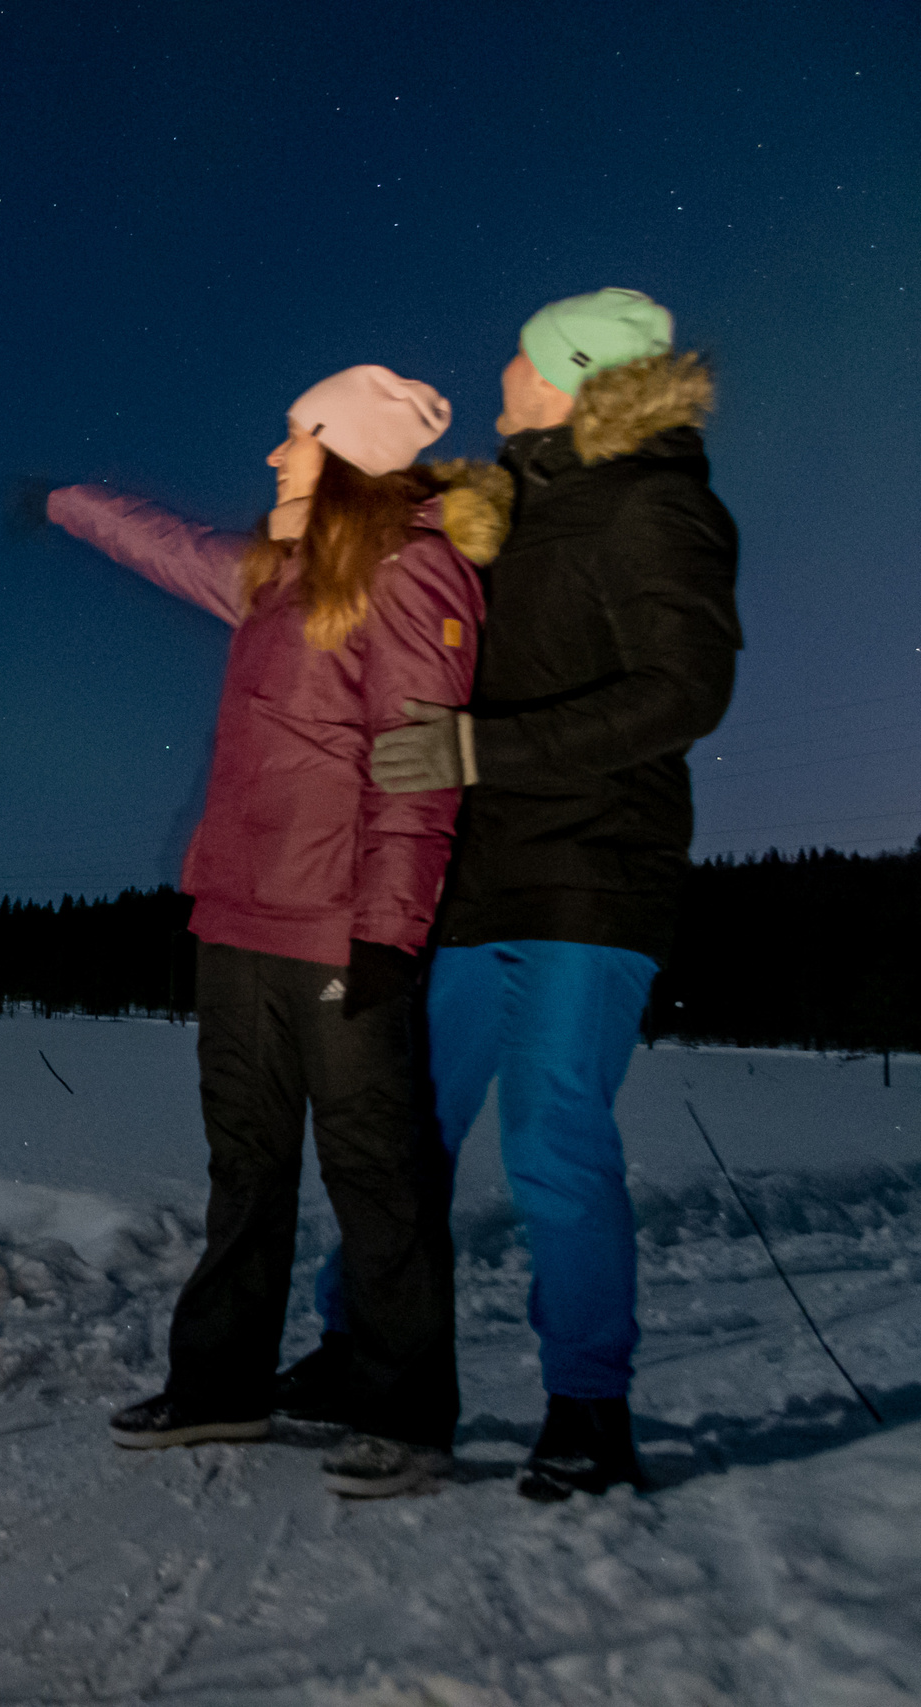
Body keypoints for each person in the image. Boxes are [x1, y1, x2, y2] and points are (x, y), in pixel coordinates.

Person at [39, 365, 507, 1498]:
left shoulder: (413, 571)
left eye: (294, 437)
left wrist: (389, 936)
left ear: (344, 455)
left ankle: (405, 1414)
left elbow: (416, 773)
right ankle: (219, 1387)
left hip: (345, 928)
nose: (272, 457)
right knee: (244, 1166)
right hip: (238, 915)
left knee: (374, 1175)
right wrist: (67, 500)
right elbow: (172, 548)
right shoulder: (274, 578)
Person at [357, 289, 741, 1501]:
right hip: (476, 883)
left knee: (552, 1143)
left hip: (591, 877)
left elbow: (682, 691)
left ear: (574, 378)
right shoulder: (502, 511)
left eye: (523, 353)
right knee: (401, 1133)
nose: (503, 367)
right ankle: (355, 1356)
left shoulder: (657, 505)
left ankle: (587, 1407)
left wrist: (481, 753)